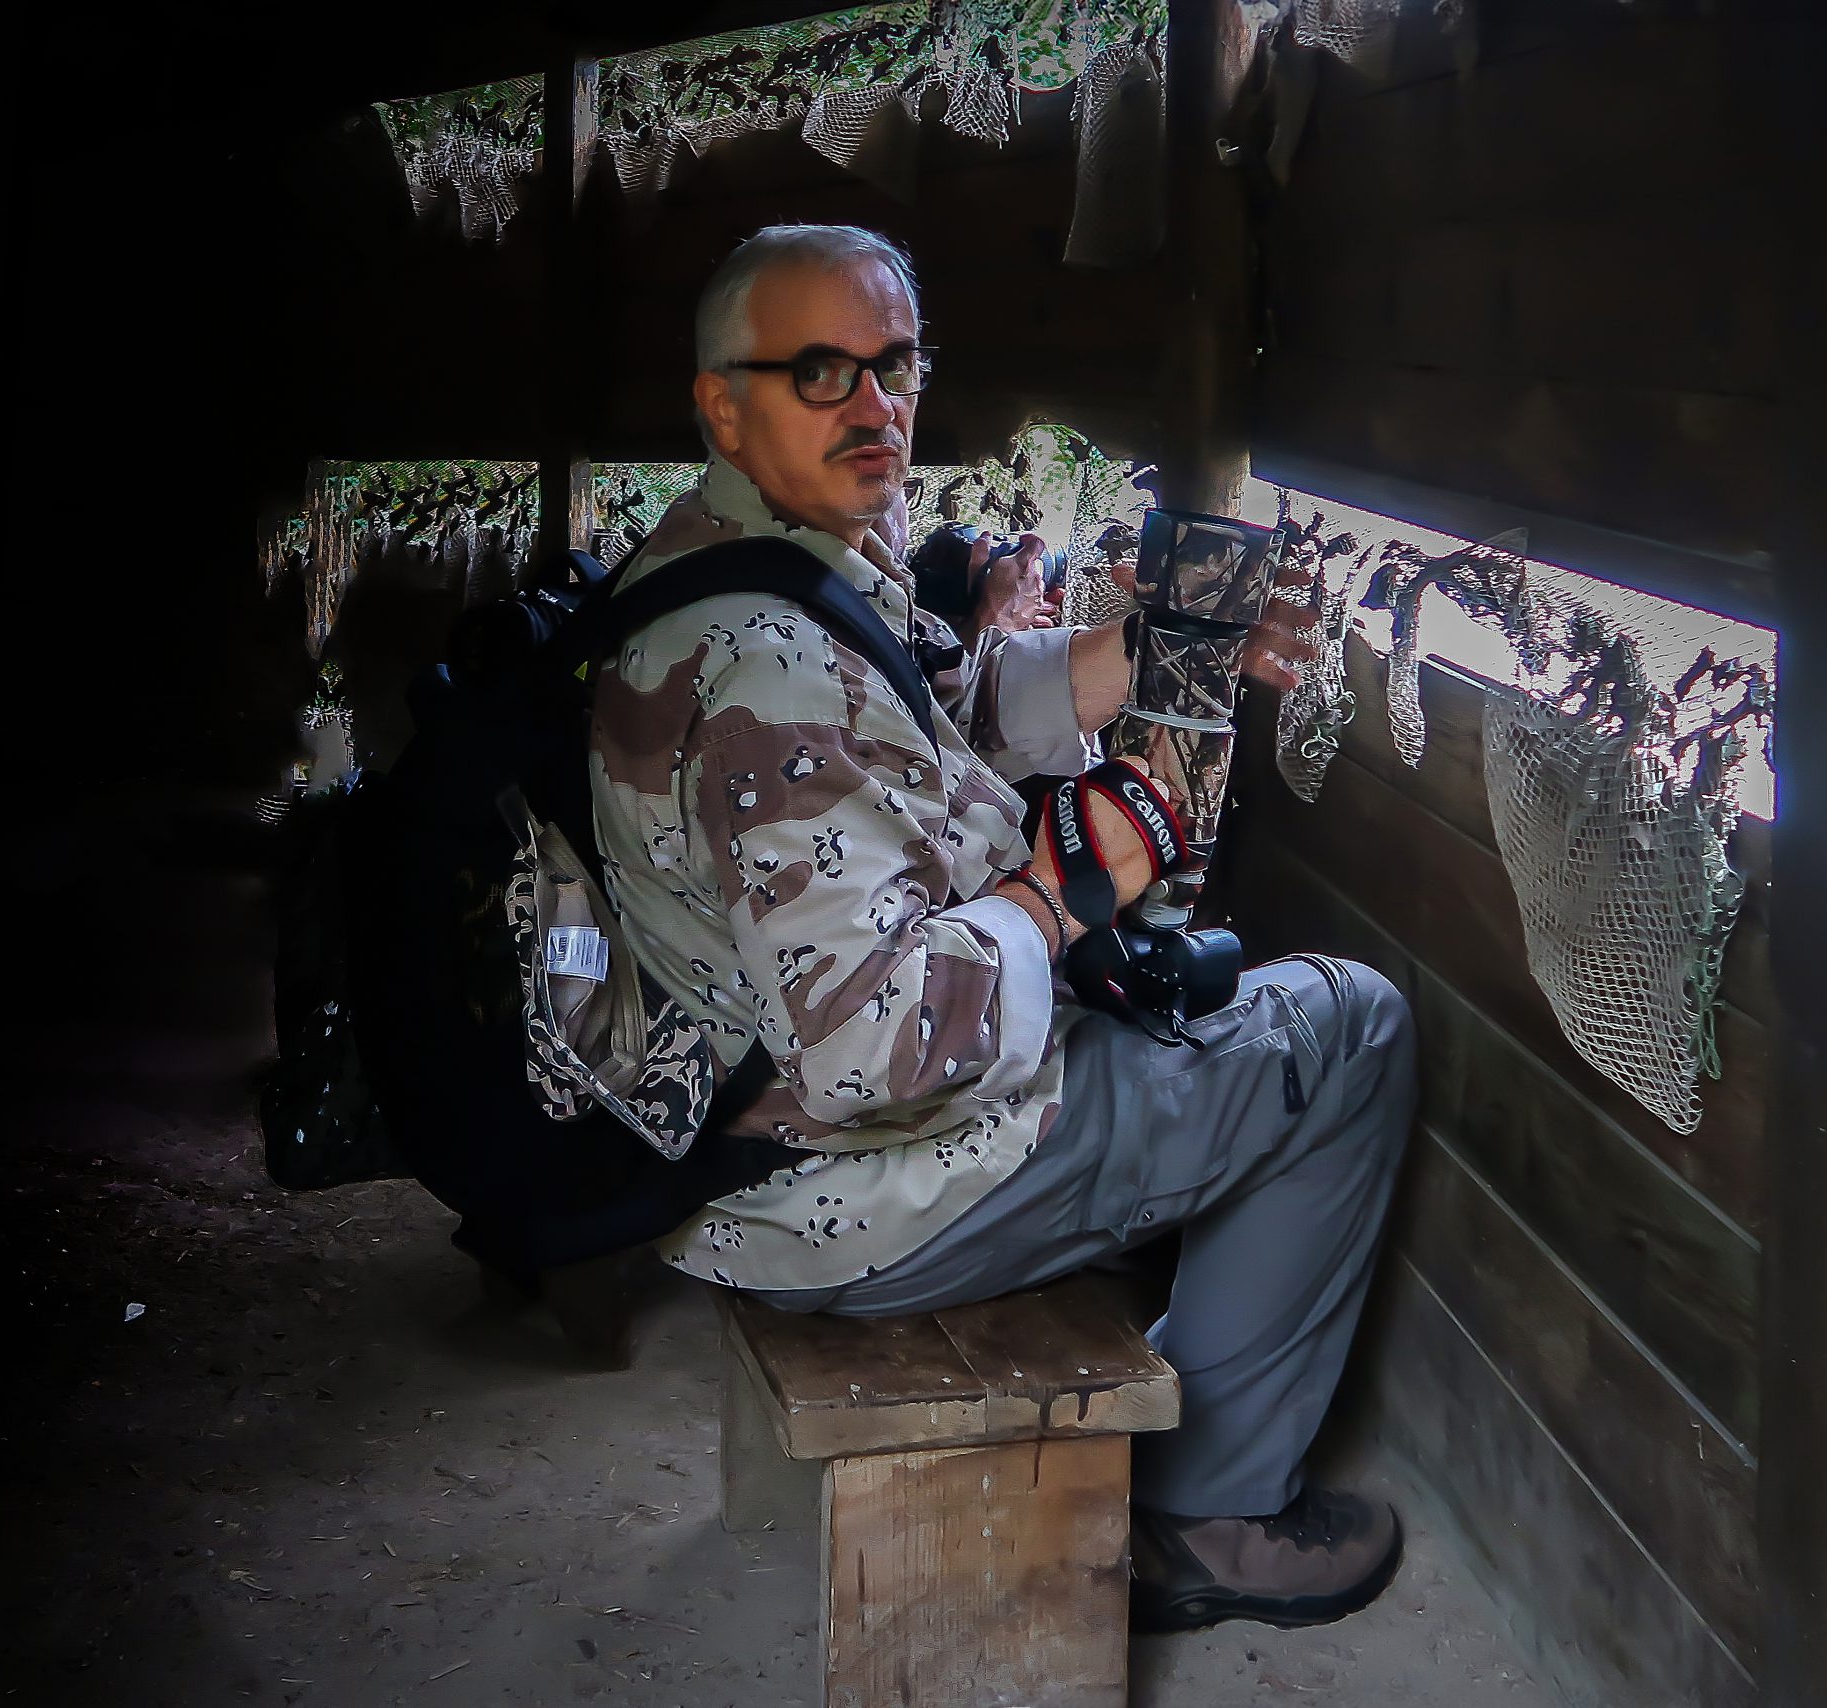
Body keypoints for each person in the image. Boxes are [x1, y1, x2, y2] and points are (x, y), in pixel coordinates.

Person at [590, 224, 1418, 1632]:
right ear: (721, 402)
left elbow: (910, 730)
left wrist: (1146, 655)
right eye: (819, 371)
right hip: (847, 1191)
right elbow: (875, 1056)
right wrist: (1057, 890)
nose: (876, 405)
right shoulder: (767, 665)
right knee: (1347, 1026)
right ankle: (1211, 1516)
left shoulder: (724, 559)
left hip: (716, 1133)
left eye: (895, 365)